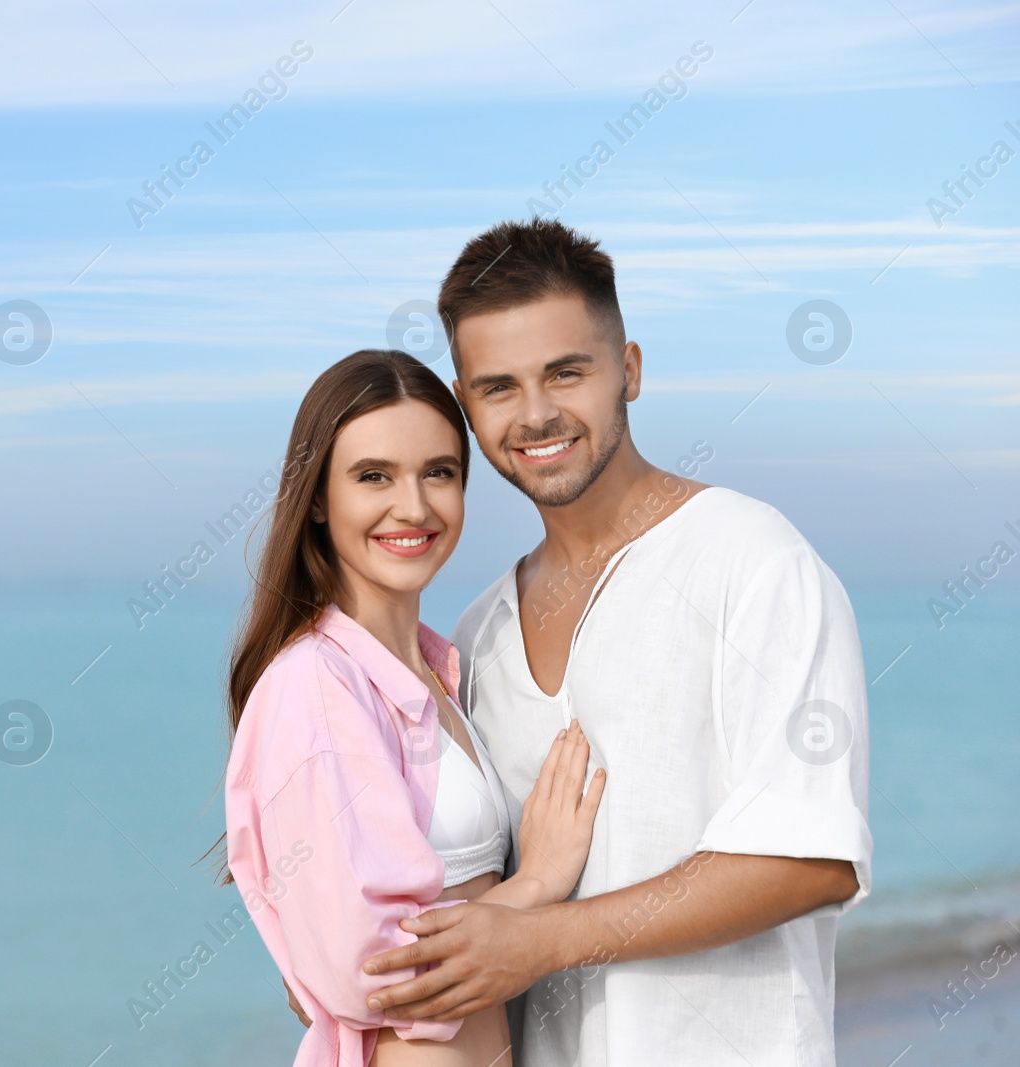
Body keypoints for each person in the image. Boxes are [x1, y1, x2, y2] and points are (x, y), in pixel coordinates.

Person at [353, 219, 871, 1065]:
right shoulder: (477, 637)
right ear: (467, 406)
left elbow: (811, 859)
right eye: (498, 387)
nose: (537, 414)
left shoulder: (753, 560)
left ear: (628, 369)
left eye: (567, 371)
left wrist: (547, 940)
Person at [223, 349, 607, 1066]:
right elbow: (370, 971)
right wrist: (539, 885)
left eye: (440, 472)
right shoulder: (313, 684)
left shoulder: (439, 672)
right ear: (316, 498)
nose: (415, 506)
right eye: (374, 476)